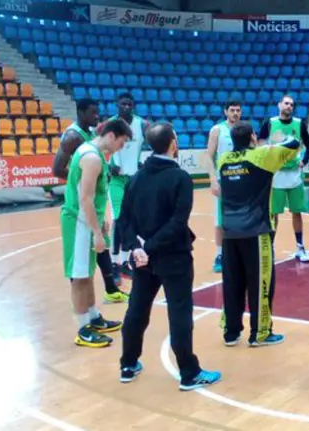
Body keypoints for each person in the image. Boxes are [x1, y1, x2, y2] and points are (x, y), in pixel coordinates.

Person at [117, 122, 221, 391]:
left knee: (137, 310)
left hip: (143, 260)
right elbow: (177, 222)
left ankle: (128, 364)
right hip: (173, 257)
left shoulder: (135, 178)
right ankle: (189, 372)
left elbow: (123, 220)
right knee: (180, 313)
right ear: (173, 143)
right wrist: (148, 248)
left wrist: (137, 248)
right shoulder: (180, 178)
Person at [218, 122, 303, 347]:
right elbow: (295, 144)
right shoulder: (262, 156)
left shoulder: (223, 160)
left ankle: (231, 332)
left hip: (229, 232)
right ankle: (260, 333)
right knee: (261, 283)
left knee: (232, 282)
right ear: (253, 137)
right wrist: (274, 142)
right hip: (256, 231)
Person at [59, 118, 132, 348]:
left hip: (86, 221)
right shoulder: (91, 158)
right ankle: (83, 329)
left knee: (87, 272)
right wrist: (97, 233)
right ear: (111, 135)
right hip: (78, 222)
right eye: (122, 142)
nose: (122, 147)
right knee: (79, 276)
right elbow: (85, 199)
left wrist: (99, 223)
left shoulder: (95, 153)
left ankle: (92, 317)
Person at [53, 98, 129, 304]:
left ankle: (108, 291)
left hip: (93, 204)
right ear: (80, 112)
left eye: (98, 112)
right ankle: (85, 316)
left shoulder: (94, 137)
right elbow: (58, 169)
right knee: (80, 270)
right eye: (92, 113)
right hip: (79, 209)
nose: (96, 117)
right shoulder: (73, 136)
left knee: (99, 248)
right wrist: (85, 179)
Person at [97, 93, 150, 282]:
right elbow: (96, 143)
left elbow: (157, 138)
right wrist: (107, 163)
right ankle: (115, 262)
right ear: (116, 105)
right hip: (117, 180)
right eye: (123, 104)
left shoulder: (142, 125)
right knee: (119, 219)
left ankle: (126, 262)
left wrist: (144, 161)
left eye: (129, 104)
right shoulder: (108, 124)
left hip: (134, 179)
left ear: (133, 106)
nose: (126, 107)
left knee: (133, 220)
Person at [257, 95, 309, 262]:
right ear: (279, 105)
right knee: (274, 214)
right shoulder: (270, 123)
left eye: (291, 104)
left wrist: (304, 161)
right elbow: (259, 143)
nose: (289, 106)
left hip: (294, 174)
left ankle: (300, 247)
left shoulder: (299, 124)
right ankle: (271, 248)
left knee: (296, 212)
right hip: (276, 174)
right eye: (286, 103)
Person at [202, 100, 243, 273]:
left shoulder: (245, 129)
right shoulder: (217, 130)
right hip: (224, 181)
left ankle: (237, 253)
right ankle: (219, 254)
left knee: (240, 218)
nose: (235, 113)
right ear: (226, 112)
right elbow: (208, 156)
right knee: (220, 220)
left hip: (242, 180)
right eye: (232, 110)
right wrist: (213, 179)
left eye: (238, 110)